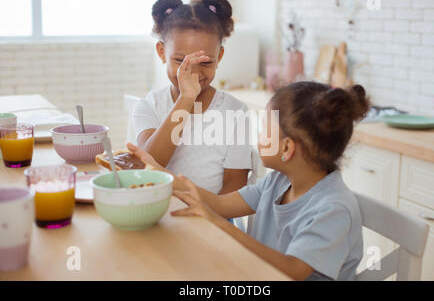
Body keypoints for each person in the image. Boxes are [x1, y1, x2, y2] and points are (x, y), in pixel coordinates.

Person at [128, 81, 370, 280]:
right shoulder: (278, 182)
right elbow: (220, 204)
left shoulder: (333, 209)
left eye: (265, 131)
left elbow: (293, 270)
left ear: (287, 148)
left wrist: (219, 224)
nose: (259, 137)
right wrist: (154, 170)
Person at [132, 0, 252, 195]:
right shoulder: (148, 106)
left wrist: (206, 215)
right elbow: (149, 165)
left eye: (205, 62)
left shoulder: (235, 111)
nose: (193, 73)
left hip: (214, 216)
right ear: (162, 52)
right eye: (180, 61)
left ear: (219, 56)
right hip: (158, 211)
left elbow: (235, 187)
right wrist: (185, 100)